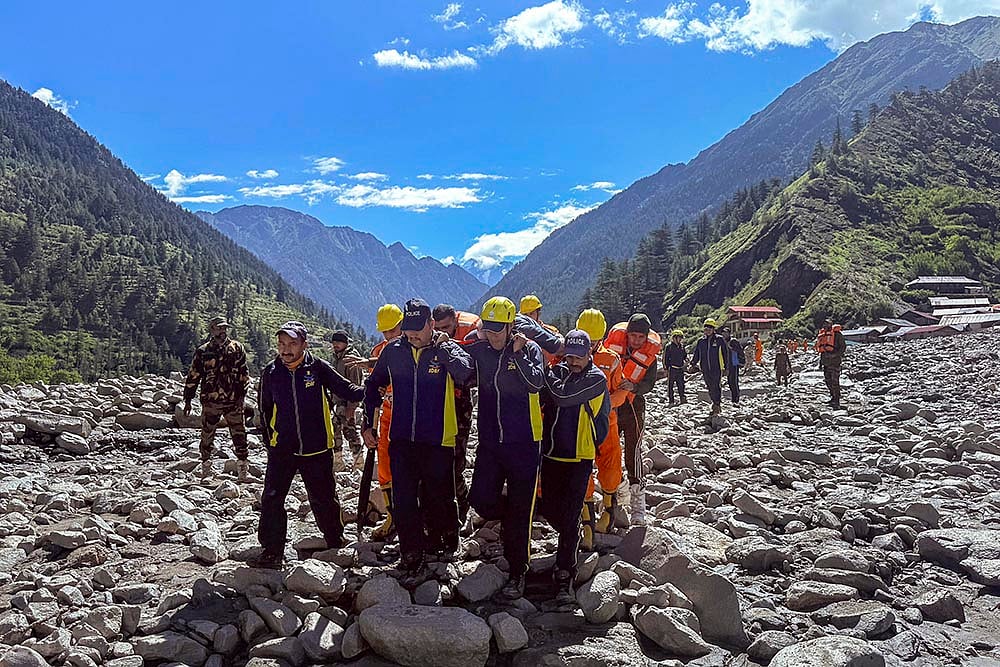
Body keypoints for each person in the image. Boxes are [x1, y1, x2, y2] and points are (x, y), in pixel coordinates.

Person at [362, 299, 474, 582]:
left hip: (438, 437)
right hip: (401, 437)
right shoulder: (394, 352)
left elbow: (467, 375)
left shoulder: (444, 349)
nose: (411, 337)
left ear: (430, 324)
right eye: (407, 331)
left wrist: (444, 347)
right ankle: (411, 554)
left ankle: (447, 543)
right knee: (404, 498)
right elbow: (373, 384)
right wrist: (367, 423)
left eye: (417, 331)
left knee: (441, 495)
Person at [253, 321, 365, 568]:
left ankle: (335, 540)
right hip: (282, 447)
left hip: (317, 446)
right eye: (282, 344)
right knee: (272, 498)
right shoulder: (271, 372)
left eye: (292, 344)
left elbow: (346, 388)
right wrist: (270, 440)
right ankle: (272, 551)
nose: (286, 349)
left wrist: (373, 391)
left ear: (304, 344)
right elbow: (265, 408)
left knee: (323, 497)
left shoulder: (317, 368)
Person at [464, 297, 545, 599]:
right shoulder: (481, 349)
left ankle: (517, 570)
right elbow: (461, 364)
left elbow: (537, 383)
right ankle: (513, 518)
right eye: (489, 329)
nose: (494, 335)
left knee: (521, 511)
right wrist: (442, 343)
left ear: (511, 326)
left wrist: (519, 354)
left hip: (524, 442)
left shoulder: (530, 349)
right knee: (481, 501)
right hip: (490, 442)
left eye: (499, 330)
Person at [539, 329, 610, 605]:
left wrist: (545, 373)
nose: (574, 361)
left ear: (589, 353)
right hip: (552, 454)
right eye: (570, 356)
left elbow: (561, 397)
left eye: (579, 357)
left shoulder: (596, 379)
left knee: (568, 518)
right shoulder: (558, 372)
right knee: (553, 510)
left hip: (579, 456)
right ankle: (571, 534)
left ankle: (564, 574)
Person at [575, 309, 628, 547]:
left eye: (595, 340)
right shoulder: (570, 355)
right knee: (583, 465)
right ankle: (586, 521)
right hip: (579, 422)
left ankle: (608, 509)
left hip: (607, 420)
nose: (592, 345)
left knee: (610, 463)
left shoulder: (612, 360)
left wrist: (609, 403)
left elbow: (622, 390)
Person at [604, 313, 660, 527]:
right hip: (612, 409)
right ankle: (615, 495)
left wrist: (634, 387)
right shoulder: (613, 350)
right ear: (626, 334)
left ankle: (638, 504)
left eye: (640, 337)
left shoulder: (650, 357)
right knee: (610, 451)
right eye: (633, 335)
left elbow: (649, 384)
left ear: (647, 338)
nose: (636, 341)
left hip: (634, 407)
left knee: (633, 452)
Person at [431, 304, 482, 524]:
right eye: (439, 327)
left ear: (455, 319)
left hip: (461, 399)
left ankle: (461, 506)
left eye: (447, 327)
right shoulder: (428, 335)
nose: (444, 331)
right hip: (437, 399)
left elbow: (477, 370)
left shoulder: (473, 328)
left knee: (456, 459)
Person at [183, 316, 251, 481]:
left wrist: (242, 396)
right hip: (210, 401)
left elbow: (244, 373)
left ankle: (243, 470)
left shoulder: (237, 348)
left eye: (224, 328)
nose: (223, 331)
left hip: (233, 400)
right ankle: (206, 469)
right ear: (212, 330)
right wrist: (188, 399)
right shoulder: (203, 351)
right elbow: (194, 376)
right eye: (219, 328)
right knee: (207, 434)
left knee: (240, 434)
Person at [328, 330, 364, 472]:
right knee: (335, 429)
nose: (335, 344)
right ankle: (339, 460)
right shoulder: (338, 358)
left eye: (339, 342)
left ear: (345, 343)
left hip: (347, 403)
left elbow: (355, 385)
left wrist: (352, 407)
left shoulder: (350, 359)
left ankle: (358, 461)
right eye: (334, 342)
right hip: (338, 402)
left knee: (349, 430)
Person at [689, 318, 728, 416]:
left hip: (717, 367)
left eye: (710, 327)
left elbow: (725, 353)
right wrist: (693, 363)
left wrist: (727, 366)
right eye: (706, 327)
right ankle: (714, 402)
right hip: (705, 368)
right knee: (710, 386)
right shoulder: (701, 341)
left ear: (713, 329)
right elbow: (697, 354)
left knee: (716, 385)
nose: (708, 329)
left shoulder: (719, 339)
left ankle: (717, 404)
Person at [520, 295, 563, 365]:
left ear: (538, 313)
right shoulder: (520, 334)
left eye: (531, 313)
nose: (528, 317)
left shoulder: (551, 331)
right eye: (525, 314)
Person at [817, 319, 847, 409]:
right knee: (828, 381)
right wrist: (821, 363)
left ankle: (837, 400)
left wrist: (836, 355)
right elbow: (821, 351)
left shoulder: (837, 334)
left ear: (831, 325)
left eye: (827, 324)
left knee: (835, 382)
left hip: (835, 362)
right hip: (826, 362)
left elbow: (843, 347)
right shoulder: (823, 335)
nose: (825, 326)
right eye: (824, 325)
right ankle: (832, 397)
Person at [720, 327, 745, 405]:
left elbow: (740, 351)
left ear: (729, 333)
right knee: (730, 382)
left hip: (734, 364)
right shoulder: (722, 341)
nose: (724, 334)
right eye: (723, 333)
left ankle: (736, 399)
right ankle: (734, 399)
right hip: (726, 365)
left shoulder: (733, 341)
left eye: (726, 333)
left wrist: (732, 348)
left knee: (734, 382)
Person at [663, 329, 687, 406]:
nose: (680, 339)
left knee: (681, 384)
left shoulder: (682, 346)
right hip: (672, 369)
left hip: (680, 368)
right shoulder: (669, 347)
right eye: (679, 337)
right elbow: (665, 358)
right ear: (674, 338)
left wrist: (686, 359)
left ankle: (682, 398)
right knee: (670, 386)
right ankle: (671, 401)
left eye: (681, 338)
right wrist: (666, 369)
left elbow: (684, 356)